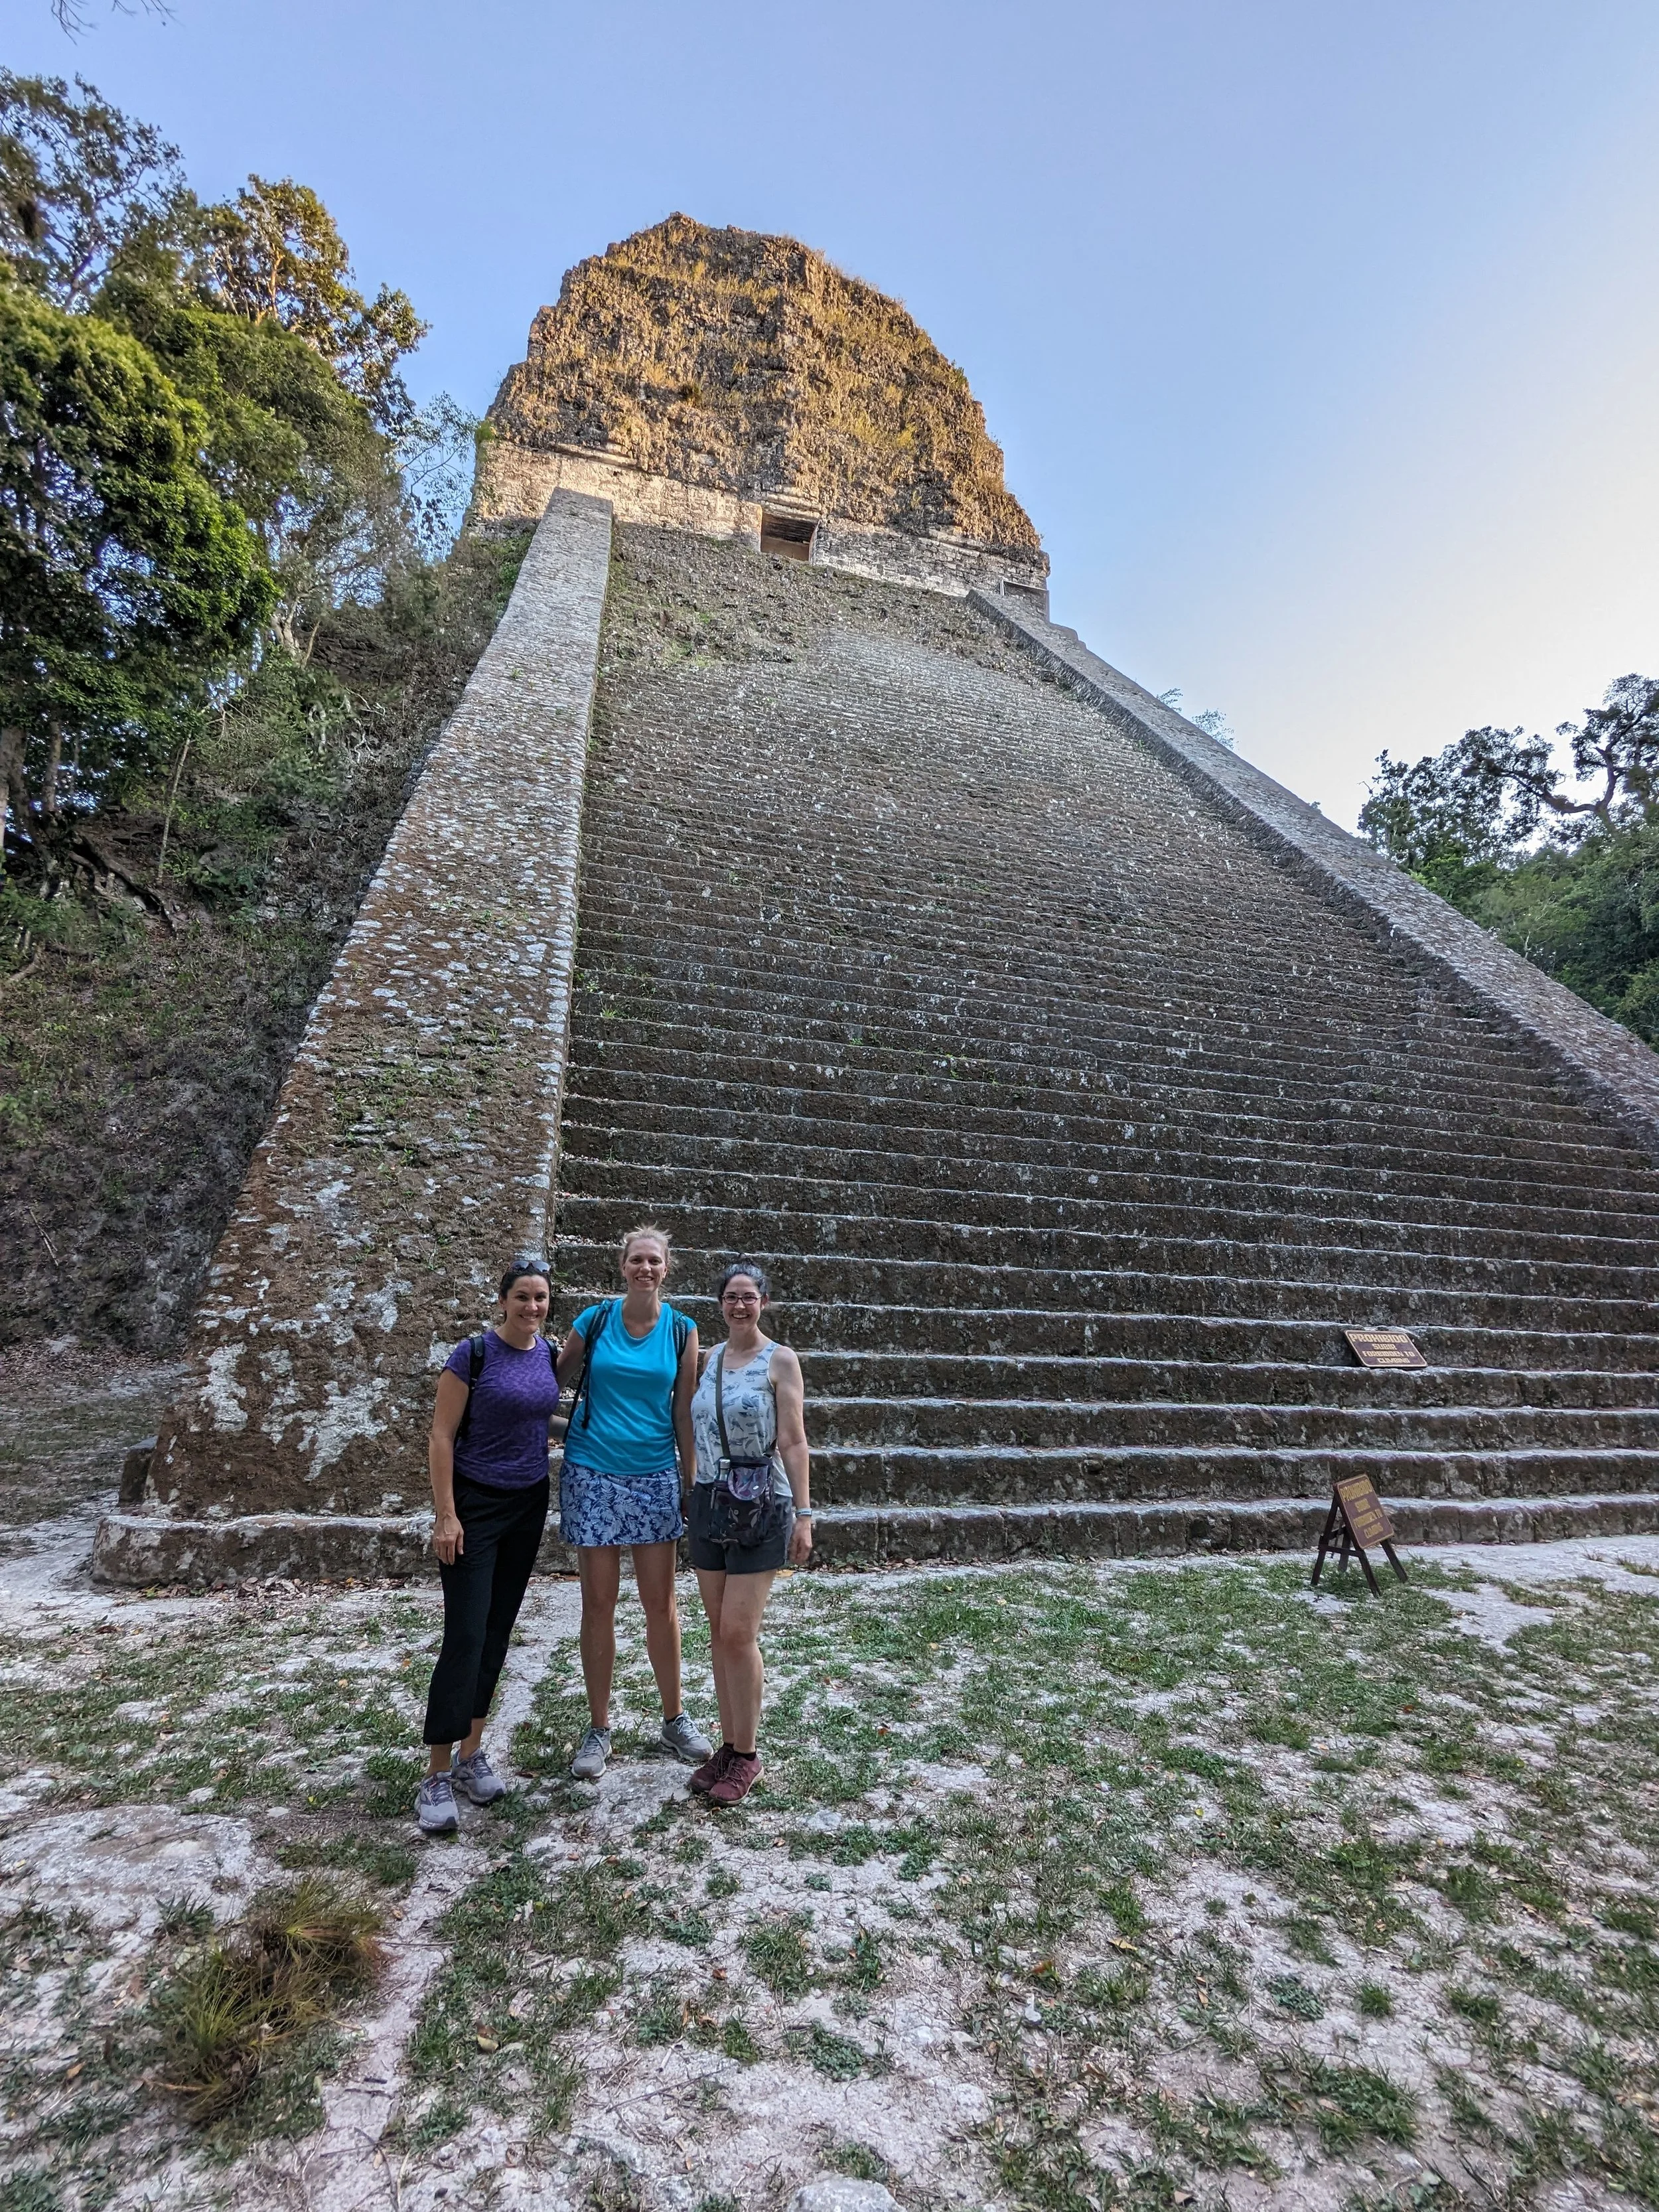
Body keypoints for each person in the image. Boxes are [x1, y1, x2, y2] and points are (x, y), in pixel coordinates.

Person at [555, 1224, 712, 1781]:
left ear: (668, 1268)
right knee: (597, 1604)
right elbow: (549, 1379)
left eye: (655, 1261)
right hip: (592, 1471)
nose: (646, 1268)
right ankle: (599, 1727)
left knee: (660, 1604)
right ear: (622, 1265)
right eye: (637, 1260)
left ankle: (674, 1716)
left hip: (653, 1474)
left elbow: (684, 1413)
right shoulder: (594, 1320)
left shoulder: (682, 1331)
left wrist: (691, 1481)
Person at [417, 1256, 561, 1836]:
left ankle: (471, 1754)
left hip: (528, 1503)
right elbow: (441, 1435)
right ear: (503, 1301)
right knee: (466, 1634)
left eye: (542, 1298)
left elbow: (539, 1421)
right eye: (523, 1297)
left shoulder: (549, 1354)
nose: (532, 1306)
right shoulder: (471, 1355)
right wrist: (446, 1514)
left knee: (498, 1629)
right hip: (474, 1506)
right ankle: (434, 1772)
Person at [686, 1260, 813, 1806]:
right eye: (732, 1297)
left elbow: (794, 1440)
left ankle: (749, 1753)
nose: (740, 1305)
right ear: (720, 1304)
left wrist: (805, 1514)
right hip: (710, 1502)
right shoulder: (706, 1360)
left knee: (739, 1631)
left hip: (764, 1502)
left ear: (763, 1302)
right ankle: (730, 1744)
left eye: (750, 1296)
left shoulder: (780, 1359)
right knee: (718, 1632)